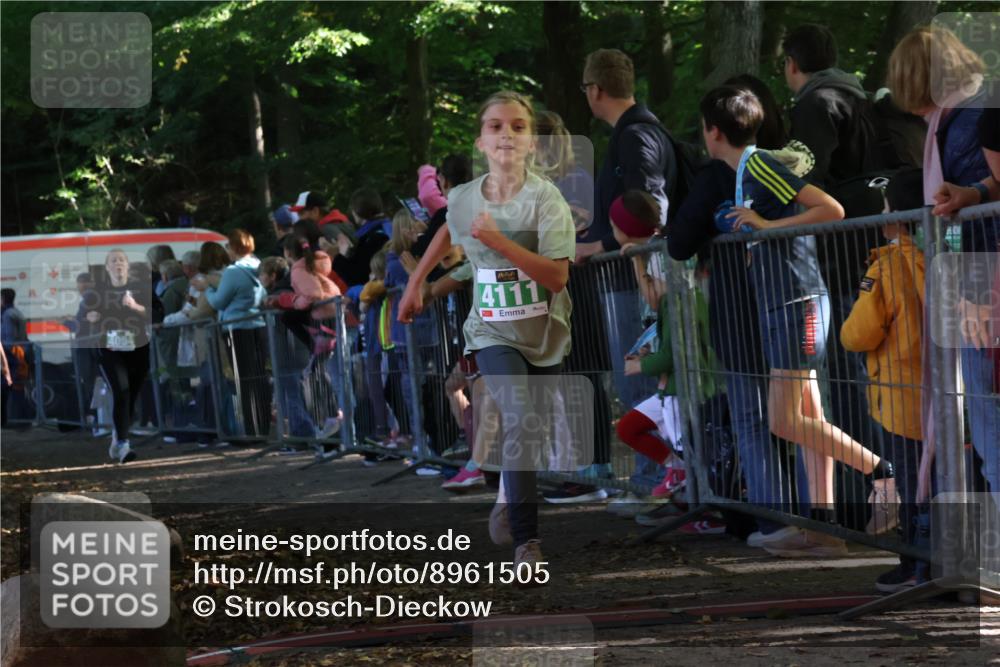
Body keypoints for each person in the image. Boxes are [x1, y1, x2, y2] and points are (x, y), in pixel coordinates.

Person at [704, 84, 895, 556]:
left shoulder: (760, 163)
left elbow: (830, 208)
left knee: (785, 420)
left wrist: (767, 228)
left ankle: (882, 474)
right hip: (783, 303)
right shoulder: (745, 171)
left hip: (798, 304)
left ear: (711, 132)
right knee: (809, 418)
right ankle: (824, 529)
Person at [399, 90, 575, 575]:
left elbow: (557, 277)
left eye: (518, 126)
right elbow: (447, 235)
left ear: (532, 143)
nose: (506, 135)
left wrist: (499, 240)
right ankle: (527, 542)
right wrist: (420, 286)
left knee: (529, 429)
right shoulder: (463, 197)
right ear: (481, 140)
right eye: (495, 126)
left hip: (543, 333)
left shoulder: (546, 199)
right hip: (490, 330)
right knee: (519, 417)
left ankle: (507, 492)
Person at [888, 27, 999, 498]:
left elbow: (980, 224)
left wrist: (973, 297)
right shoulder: (970, 113)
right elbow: (985, 192)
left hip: (983, 292)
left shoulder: (966, 122)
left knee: (991, 428)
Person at [781, 24, 884, 494]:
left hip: (836, 257)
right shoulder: (859, 97)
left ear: (792, 64)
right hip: (871, 246)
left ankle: (868, 488)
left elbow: (807, 179)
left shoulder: (814, 106)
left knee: (847, 372)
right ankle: (883, 485)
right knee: (871, 369)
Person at [608, 191, 723, 533]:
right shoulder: (658, 248)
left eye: (614, 224)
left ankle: (701, 504)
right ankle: (679, 472)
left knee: (690, 439)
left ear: (625, 229)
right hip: (670, 370)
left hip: (682, 373)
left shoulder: (658, 253)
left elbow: (656, 301)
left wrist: (636, 261)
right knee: (631, 427)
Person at [841, 168, 929, 593]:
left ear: (893, 216)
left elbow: (857, 334)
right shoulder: (943, 258)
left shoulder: (888, 267)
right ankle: (951, 562)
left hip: (899, 398)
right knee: (948, 480)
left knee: (912, 486)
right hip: (945, 394)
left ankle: (914, 564)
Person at [86, 249, 153, 463]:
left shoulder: (141, 288)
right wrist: (91, 315)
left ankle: (118, 435)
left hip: (138, 347)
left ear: (128, 265)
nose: (118, 264)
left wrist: (135, 306)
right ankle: (124, 445)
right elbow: (85, 314)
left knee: (131, 395)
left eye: (122, 260)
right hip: (110, 349)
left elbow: (155, 312)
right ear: (107, 267)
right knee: (121, 391)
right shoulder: (98, 291)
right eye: (113, 261)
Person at [202, 229, 270, 440]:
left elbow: (218, 301)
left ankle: (251, 430)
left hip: (237, 329)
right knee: (259, 378)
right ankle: (263, 428)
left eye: (228, 247)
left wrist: (207, 289)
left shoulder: (233, 271)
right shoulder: (259, 266)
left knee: (245, 381)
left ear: (234, 247)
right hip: (259, 326)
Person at [260, 255, 318, 449]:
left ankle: (302, 436)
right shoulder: (287, 291)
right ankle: (302, 435)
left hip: (288, 353)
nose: (259, 279)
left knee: (292, 393)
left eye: (262, 274)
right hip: (294, 352)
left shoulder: (280, 295)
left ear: (272, 275)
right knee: (294, 393)